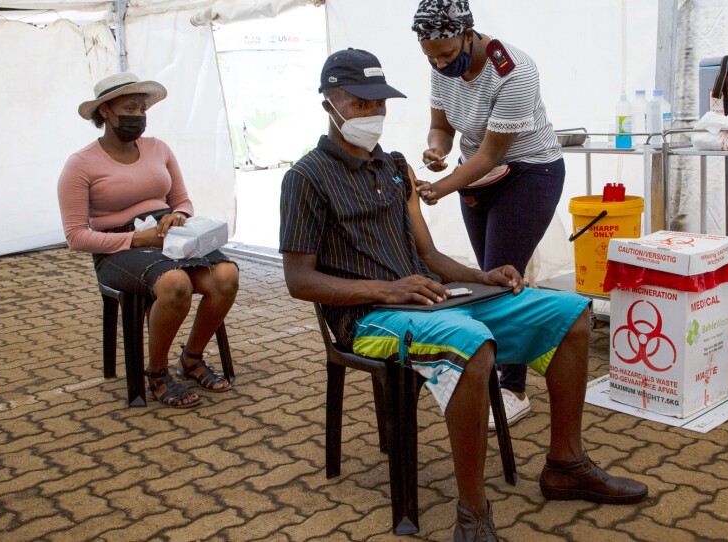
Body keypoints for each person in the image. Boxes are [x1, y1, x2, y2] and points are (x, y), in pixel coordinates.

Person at [280, 48, 648, 542]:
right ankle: (473, 512)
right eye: (360, 103)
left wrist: (482, 276)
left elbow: (429, 255)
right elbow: (299, 282)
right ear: (330, 102)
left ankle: (566, 463)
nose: (373, 114)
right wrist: (389, 289)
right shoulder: (304, 179)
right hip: (368, 317)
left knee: (570, 314)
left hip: (429, 295)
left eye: (379, 103)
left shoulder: (393, 166)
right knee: (471, 343)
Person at [411, 0, 568, 430]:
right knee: (488, 275)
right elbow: (442, 126)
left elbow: (490, 153)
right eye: (431, 56)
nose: (440, 63)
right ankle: (496, 369)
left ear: (468, 32)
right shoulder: (440, 66)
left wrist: (440, 188)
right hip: (477, 178)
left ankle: (513, 388)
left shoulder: (514, 70)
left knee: (502, 275)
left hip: (528, 173)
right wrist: (437, 150)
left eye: (446, 52)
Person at [58, 72, 239, 408]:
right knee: (175, 284)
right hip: (117, 246)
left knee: (226, 276)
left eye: (142, 109)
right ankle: (156, 373)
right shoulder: (80, 164)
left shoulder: (158, 148)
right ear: (106, 112)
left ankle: (192, 358)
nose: (138, 116)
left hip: (169, 233)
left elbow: (182, 200)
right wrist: (135, 240)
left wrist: (179, 215)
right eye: (129, 108)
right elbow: (76, 236)